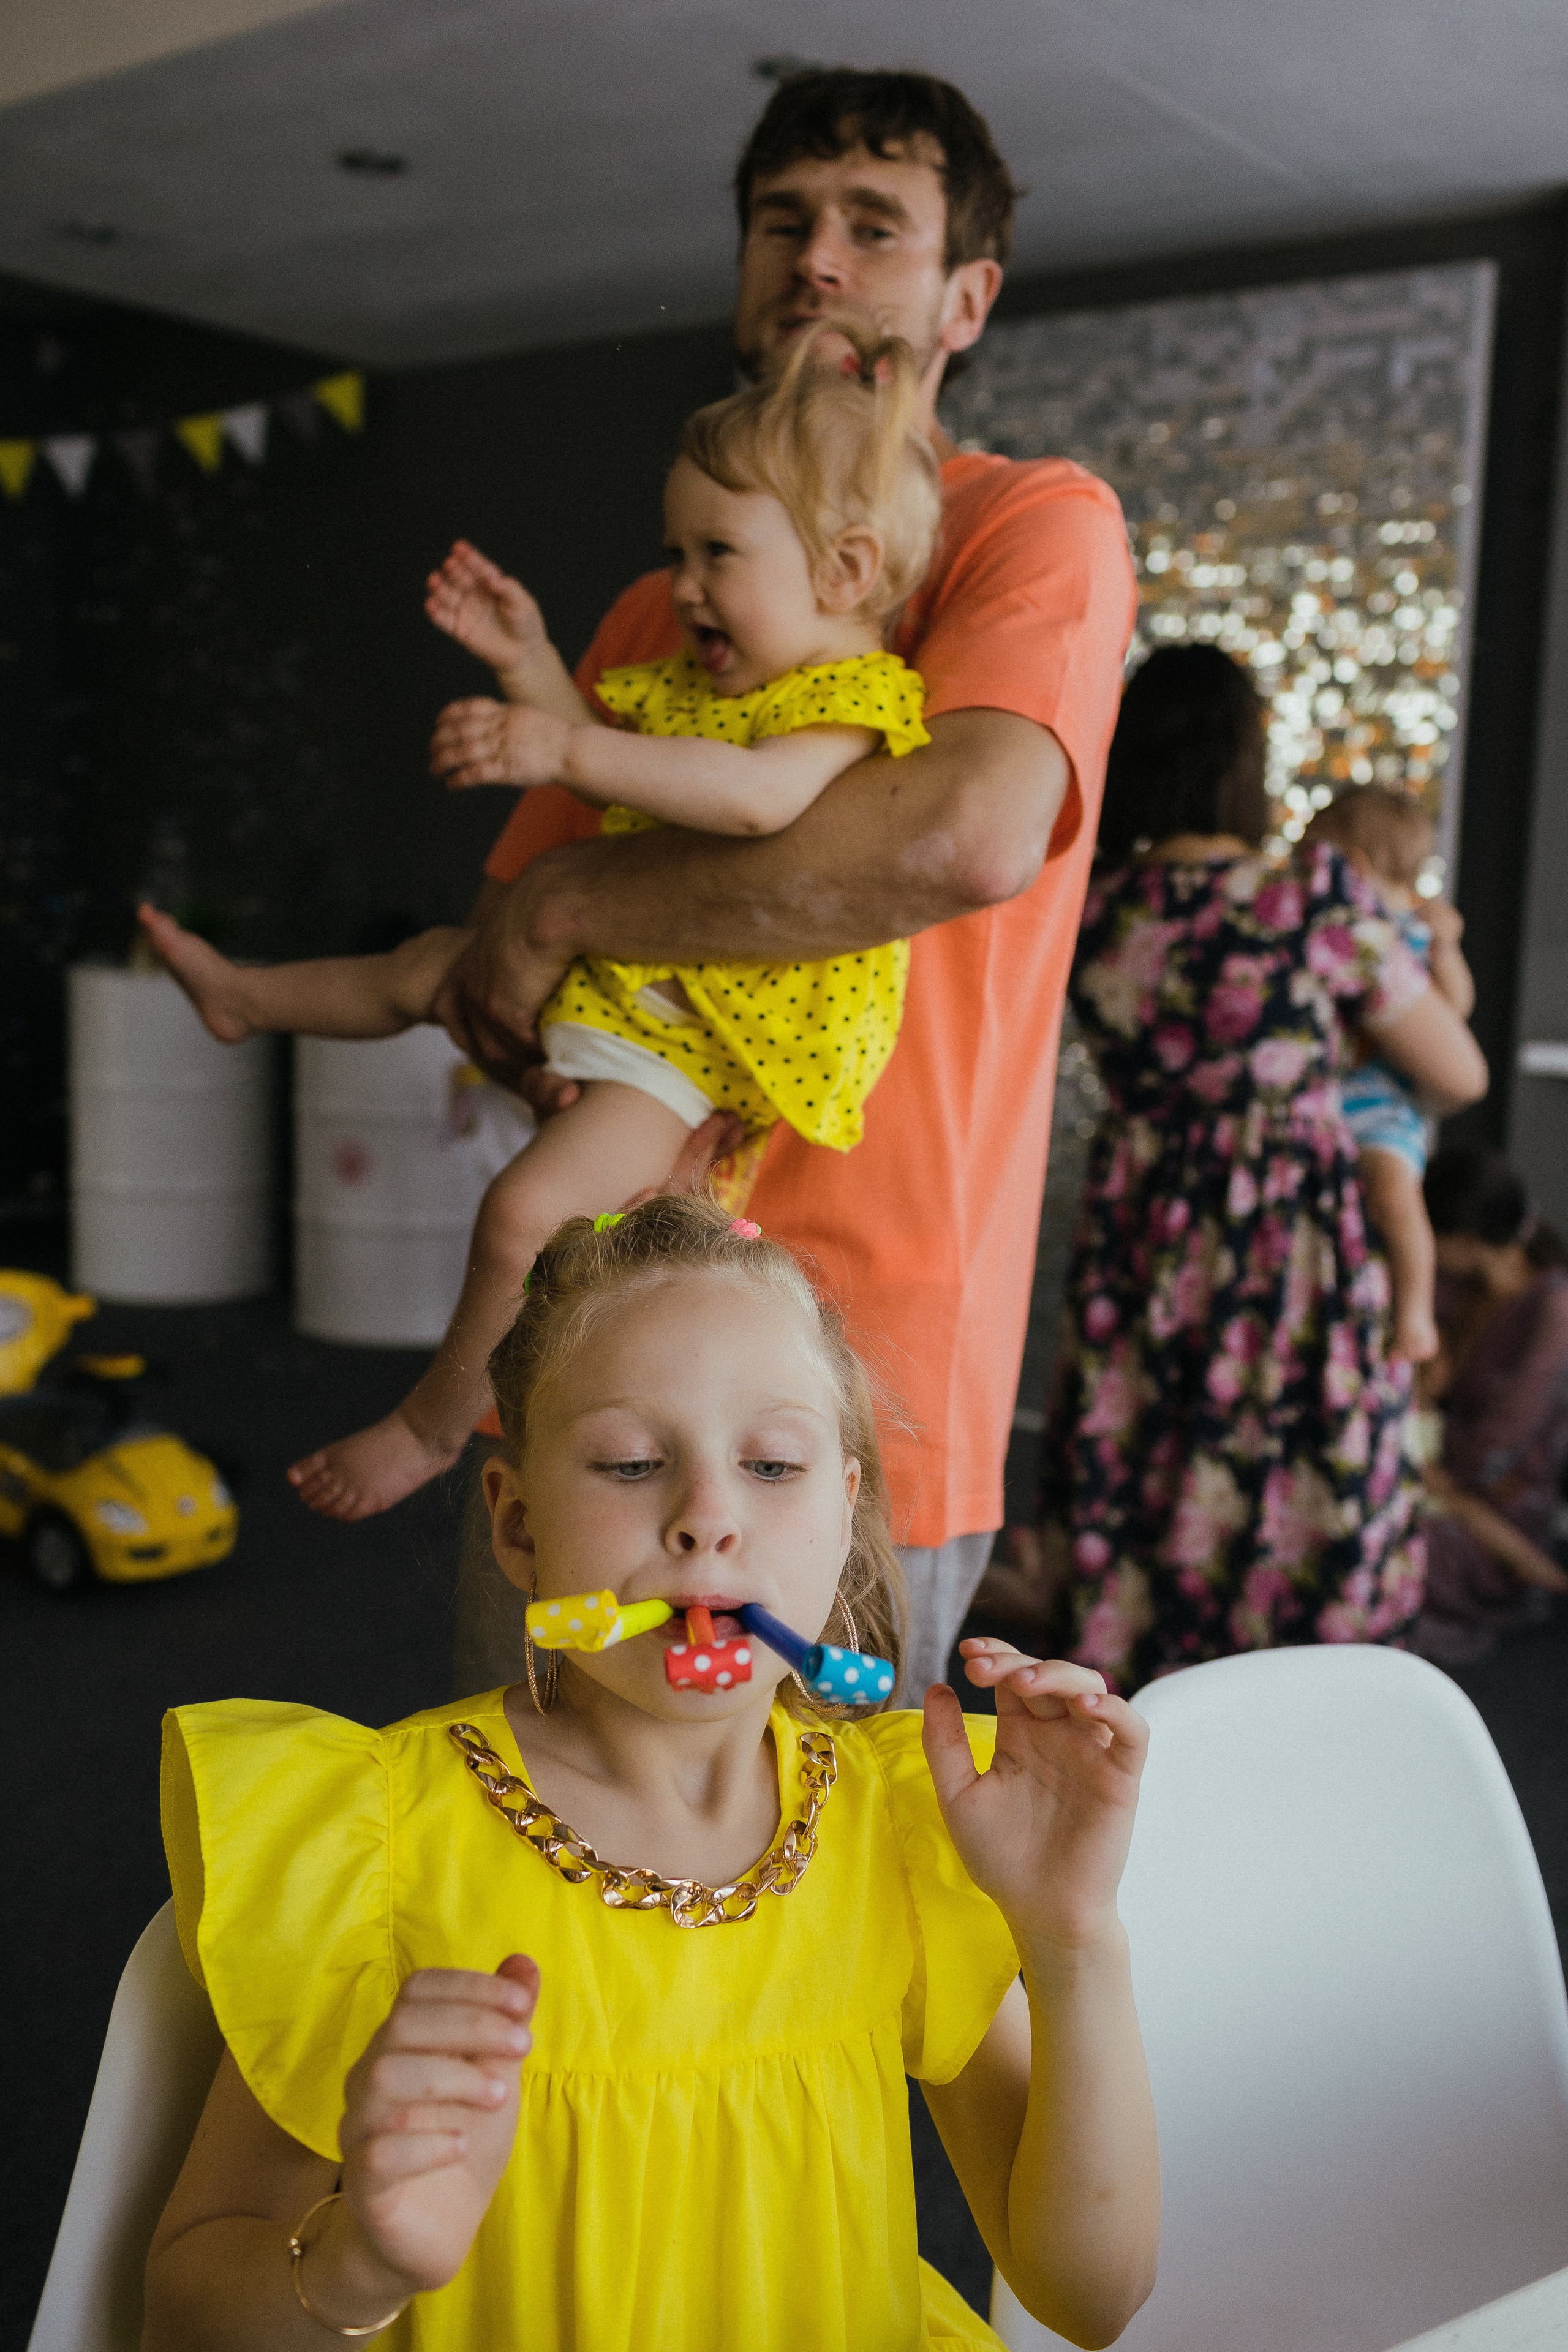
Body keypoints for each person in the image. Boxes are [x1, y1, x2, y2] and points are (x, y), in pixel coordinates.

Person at [142, 1199, 1159, 2351]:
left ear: (847, 1512)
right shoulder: (370, 1844)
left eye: (774, 1465)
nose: (709, 1519)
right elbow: (183, 2308)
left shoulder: (906, 1829)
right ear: (518, 1527)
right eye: (631, 1464)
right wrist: (357, 2268)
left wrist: (1072, 1936)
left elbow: (1092, 2296)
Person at [428, 69, 1138, 1697]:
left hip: (868, 1370)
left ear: (967, 297)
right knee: (530, 1850)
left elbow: (958, 836)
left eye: (873, 226)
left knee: (819, 1900)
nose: (816, 260)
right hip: (588, 1361)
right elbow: (495, 981)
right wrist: (535, 946)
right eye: (781, 221)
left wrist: (577, 912)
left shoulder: (1028, 529)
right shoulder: (652, 611)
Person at [139, 322, 941, 1522]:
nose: (681, 587)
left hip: (690, 1047)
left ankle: (425, 1427)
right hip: (628, 980)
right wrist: (532, 666)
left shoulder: (845, 703)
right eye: (675, 550)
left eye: (717, 552)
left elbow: (748, 800)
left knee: (524, 1213)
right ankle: (245, 998)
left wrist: (560, 742)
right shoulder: (705, 683)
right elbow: (622, 762)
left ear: (842, 570)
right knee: (423, 967)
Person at [1038, 646, 1488, 1691]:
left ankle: (1139, 1771)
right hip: (1289, 1254)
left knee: (1148, 1485)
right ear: (1248, 757)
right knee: (1308, 1500)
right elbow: (1457, 1072)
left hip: (1140, 1242)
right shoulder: (1307, 900)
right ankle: (1301, 1753)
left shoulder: (1095, 908)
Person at [1302, 787, 1477, 1362]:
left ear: (1359, 863)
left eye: (1316, 848)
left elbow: (1455, 1013)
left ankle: (1416, 1315)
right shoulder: (1339, 920)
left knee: (1396, 1200)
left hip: (1383, 1108)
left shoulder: (1415, 929)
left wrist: (1448, 950)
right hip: (1331, 1101)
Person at [1413, 1147, 1568, 1667]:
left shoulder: (1554, 1309)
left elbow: (1497, 1449)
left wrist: (1430, 1459)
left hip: (1498, 1499)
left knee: (1386, 1548)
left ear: (1465, 1241)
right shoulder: (1458, 1288)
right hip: (1436, 1469)